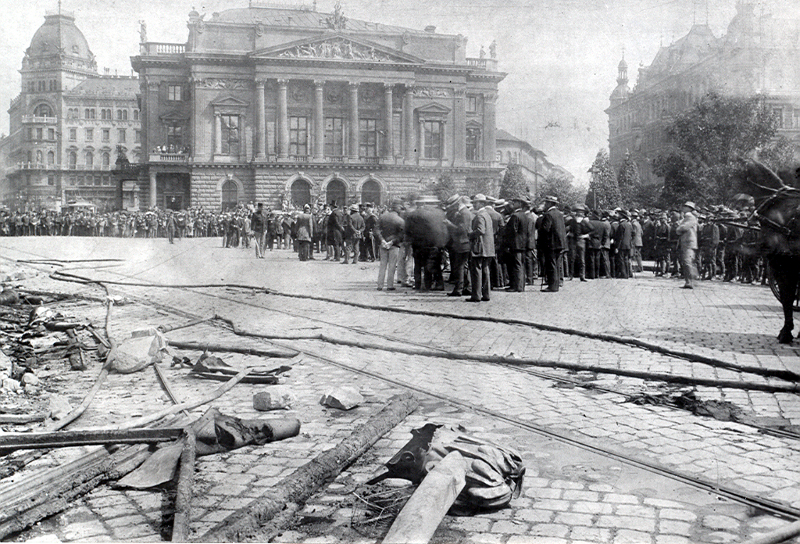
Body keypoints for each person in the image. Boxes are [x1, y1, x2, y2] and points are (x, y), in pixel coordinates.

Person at [467, 194, 495, 302]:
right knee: (485, 270)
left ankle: (476, 295)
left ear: (481, 203)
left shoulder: (480, 215)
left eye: (475, 202)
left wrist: (470, 234)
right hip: (487, 248)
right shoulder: (487, 214)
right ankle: (486, 294)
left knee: (476, 271)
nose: (474, 204)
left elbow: (481, 230)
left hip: (480, 247)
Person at [443, 194, 472, 297]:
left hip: (462, 243)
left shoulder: (464, 213)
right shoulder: (463, 212)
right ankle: (466, 288)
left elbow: (462, 229)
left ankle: (459, 289)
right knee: (463, 266)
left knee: (459, 266)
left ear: (458, 203)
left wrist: (449, 224)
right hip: (462, 242)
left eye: (453, 205)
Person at [374, 199, 405, 290]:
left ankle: (380, 285)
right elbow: (401, 235)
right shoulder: (400, 220)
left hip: (383, 244)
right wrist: (392, 241)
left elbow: (376, 230)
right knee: (392, 266)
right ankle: (390, 285)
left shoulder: (382, 217)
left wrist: (382, 240)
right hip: (394, 245)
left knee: (382, 265)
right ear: (398, 208)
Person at [538, 195, 567, 292]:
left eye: (546, 203)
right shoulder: (559, 214)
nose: (545, 204)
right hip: (560, 243)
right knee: (557, 264)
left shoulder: (548, 214)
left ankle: (552, 286)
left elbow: (545, 229)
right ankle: (556, 284)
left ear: (550, 203)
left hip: (551, 244)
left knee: (551, 265)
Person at [503, 196, 529, 292]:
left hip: (515, 244)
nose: (513, 203)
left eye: (515, 202)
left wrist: (508, 244)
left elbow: (512, 232)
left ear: (520, 204)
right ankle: (520, 285)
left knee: (516, 265)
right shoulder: (524, 215)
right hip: (522, 244)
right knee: (520, 264)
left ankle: (516, 286)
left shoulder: (515, 216)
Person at [676, 201, 699, 289]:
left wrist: (678, 229)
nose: (683, 208)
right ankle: (690, 281)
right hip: (687, 242)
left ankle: (690, 282)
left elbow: (682, 228)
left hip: (689, 242)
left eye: (685, 206)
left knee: (687, 262)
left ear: (690, 208)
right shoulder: (687, 217)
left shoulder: (689, 216)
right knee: (687, 262)